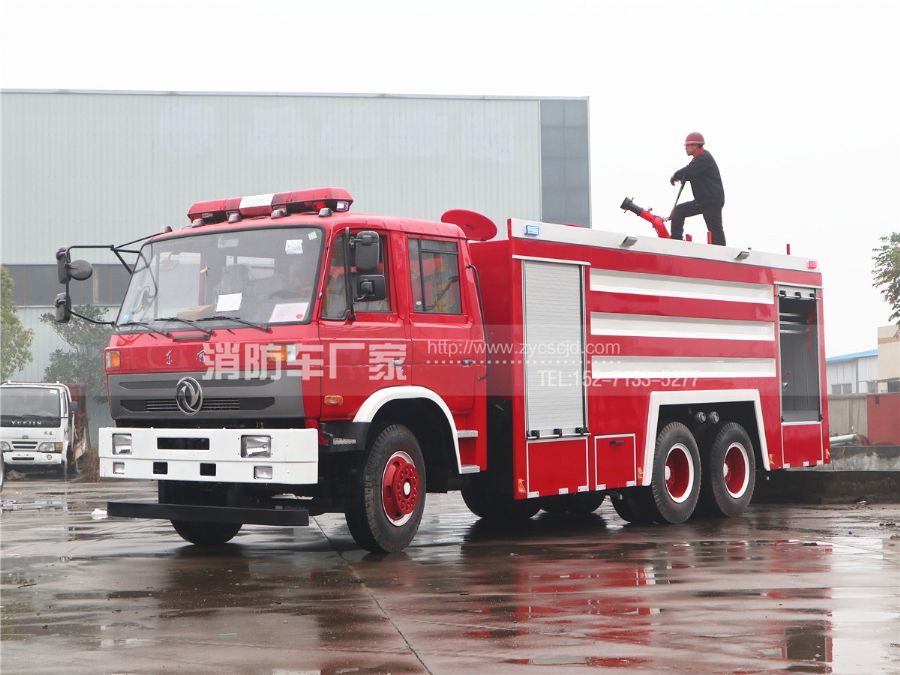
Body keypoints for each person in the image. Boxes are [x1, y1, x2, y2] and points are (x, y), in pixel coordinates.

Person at [668, 132, 726, 246]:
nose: (685, 148)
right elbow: (689, 173)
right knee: (678, 211)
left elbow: (688, 171)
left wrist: (675, 176)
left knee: (715, 229)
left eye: (688, 145)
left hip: (712, 201)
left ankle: (722, 254)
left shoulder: (704, 157)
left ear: (696, 145)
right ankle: (676, 243)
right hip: (702, 201)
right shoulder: (697, 160)